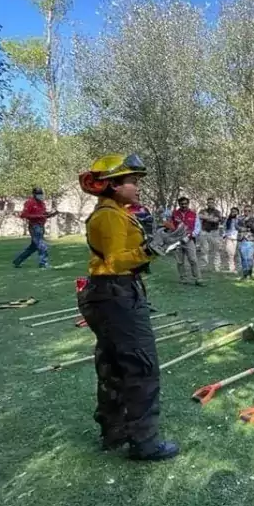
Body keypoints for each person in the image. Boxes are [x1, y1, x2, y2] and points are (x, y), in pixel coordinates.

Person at [77, 153, 184, 461]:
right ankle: (145, 442)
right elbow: (114, 261)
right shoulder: (109, 215)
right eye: (132, 182)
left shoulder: (116, 212)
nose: (137, 187)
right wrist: (151, 249)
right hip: (116, 294)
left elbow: (119, 252)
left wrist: (156, 241)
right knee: (141, 366)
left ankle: (114, 431)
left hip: (109, 294)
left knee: (112, 365)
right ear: (113, 185)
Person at [13, 187, 58, 269]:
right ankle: (43, 264)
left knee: (33, 247)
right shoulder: (29, 202)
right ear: (34, 194)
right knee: (42, 245)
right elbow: (23, 215)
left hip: (41, 226)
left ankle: (17, 261)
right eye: (39, 194)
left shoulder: (42, 203)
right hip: (34, 226)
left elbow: (44, 214)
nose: (41, 196)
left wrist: (50, 214)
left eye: (41, 194)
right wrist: (39, 216)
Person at [171, 197, 203, 286]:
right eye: (182, 204)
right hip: (177, 240)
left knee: (193, 260)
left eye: (185, 203)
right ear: (179, 204)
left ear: (188, 204)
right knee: (179, 261)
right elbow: (171, 226)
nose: (184, 205)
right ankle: (183, 278)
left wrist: (190, 236)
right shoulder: (174, 214)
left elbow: (197, 228)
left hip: (189, 240)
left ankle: (198, 279)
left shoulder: (193, 214)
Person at [198, 199, 223, 271]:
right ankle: (203, 267)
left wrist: (206, 217)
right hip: (204, 232)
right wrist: (211, 218)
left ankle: (217, 267)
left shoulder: (217, 212)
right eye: (208, 203)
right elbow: (199, 216)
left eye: (211, 202)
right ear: (207, 203)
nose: (210, 204)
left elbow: (216, 220)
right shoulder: (203, 210)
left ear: (214, 203)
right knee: (204, 250)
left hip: (214, 232)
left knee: (216, 250)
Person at [236, 205, 254, 280]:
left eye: (249, 211)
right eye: (245, 211)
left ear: (251, 211)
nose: (247, 212)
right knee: (243, 258)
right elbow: (236, 226)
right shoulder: (239, 218)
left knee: (249, 258)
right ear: (243, 211)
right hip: (242, 240)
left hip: (250, 241)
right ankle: (245, 274)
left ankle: (250, 273)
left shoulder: (253, 219)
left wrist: (248, 221)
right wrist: (245, 228)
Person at [222, 206, 240, 272]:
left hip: (237, 238)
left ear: (237, 212)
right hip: (229, 238)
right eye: (232, 212)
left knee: (237, 254)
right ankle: (231, 268)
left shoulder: (239, 219)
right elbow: (224, 227)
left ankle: (238, 268)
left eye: (235, 212)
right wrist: (224, 235)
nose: (233, 213)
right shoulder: (228, 220)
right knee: (230, 254)